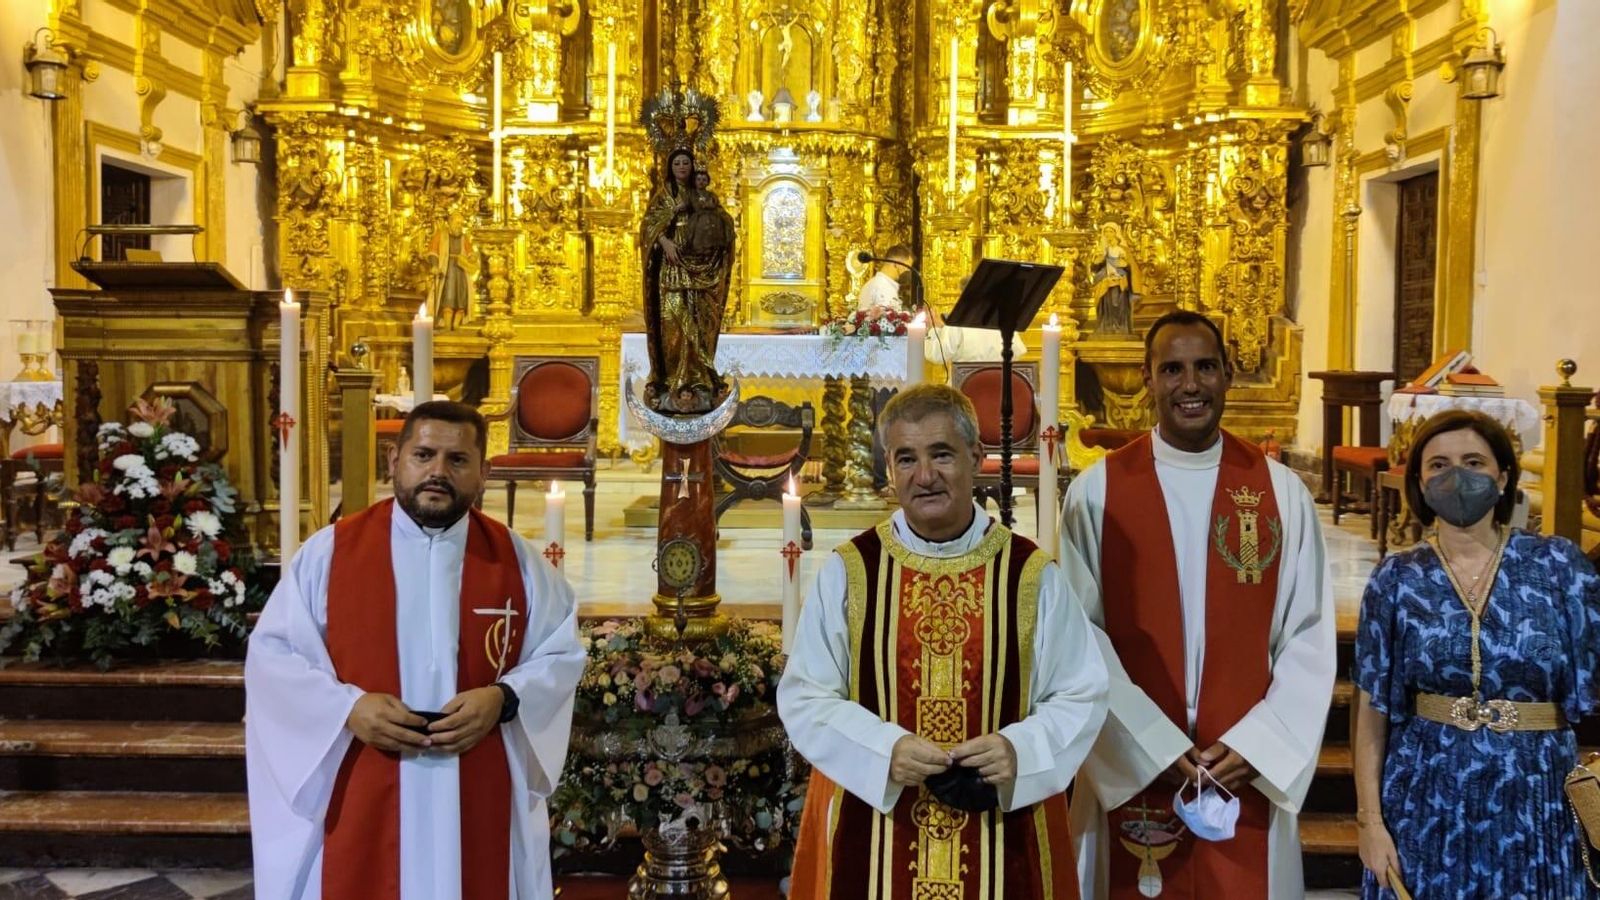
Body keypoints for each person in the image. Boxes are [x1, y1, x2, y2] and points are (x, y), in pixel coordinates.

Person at [779, 383, 1109, 899]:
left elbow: (1080, 692)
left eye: (941, 455)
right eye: (906, 458)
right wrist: (884, 750)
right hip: (875, 830)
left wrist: (1018, 750)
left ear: (976, 457)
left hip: (1003, 831)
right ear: (888, 469)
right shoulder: (851, 572)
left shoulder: (1031, 575)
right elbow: (806, 695)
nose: (924, 476)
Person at [244, 401, 586, 900]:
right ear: (393, 459)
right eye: (423, 455)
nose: (437, 473)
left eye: (458, 460)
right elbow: (274, 655)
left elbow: (561, 654)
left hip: (477, 778)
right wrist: (348, 707)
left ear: (484, 472)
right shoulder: (330, 553)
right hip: (364, 778)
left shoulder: (517, 561)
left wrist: (504, 698)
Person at [1061, 310, 1335, 898]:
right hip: (1137, 765)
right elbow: (1079, 637)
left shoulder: (1281, 493)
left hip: (1243, 767)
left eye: (1205, 367)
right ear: (1147, 378)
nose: (1190, 385)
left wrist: (1258, 744)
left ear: (1228, 374)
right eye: (1173, 369)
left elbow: (1307, 634)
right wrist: (1147, 744)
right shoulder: (1096, 494)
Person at [1352, 410, 1600, 899]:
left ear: (1504, 476)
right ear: (1419, 482)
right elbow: (1371, 711)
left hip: (1536, 796)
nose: (1456, 476)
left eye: (1473, 461)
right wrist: (1369, 822)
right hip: (1427, 796)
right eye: (1438, 465)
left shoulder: (1560, 566)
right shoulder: (1396, 579)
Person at [641, 147, 736, 414]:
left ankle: (698, 379)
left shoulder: (702, 195)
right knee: (673, 323)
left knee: (698, 320)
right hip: (670, 267)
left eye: (686, 162)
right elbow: (648, 226)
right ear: (670, 167)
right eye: (677, 163)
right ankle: (672, 379)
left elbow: (721, 220)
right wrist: (664, 240)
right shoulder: (664, 196)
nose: (682, 167)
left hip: (699, 268)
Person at [429, 212, 477, 330]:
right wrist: (435, 265)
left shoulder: (464, 237)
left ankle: (456, 324)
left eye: (461, 224)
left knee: (462, 296)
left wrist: (472, 257)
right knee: (448, 296)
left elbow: (470, 252)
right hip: (447, 269)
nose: (459, 226)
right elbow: (433, 252)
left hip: (461, 270)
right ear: (450, 222)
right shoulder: (440, 235)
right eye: (457, 223)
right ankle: (447, 324)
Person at [856, 243, 914, 313]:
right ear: (897, 264)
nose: (908, 271)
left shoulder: (872, 283)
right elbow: (888, 321)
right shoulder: (884, 287)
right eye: (907, 267)